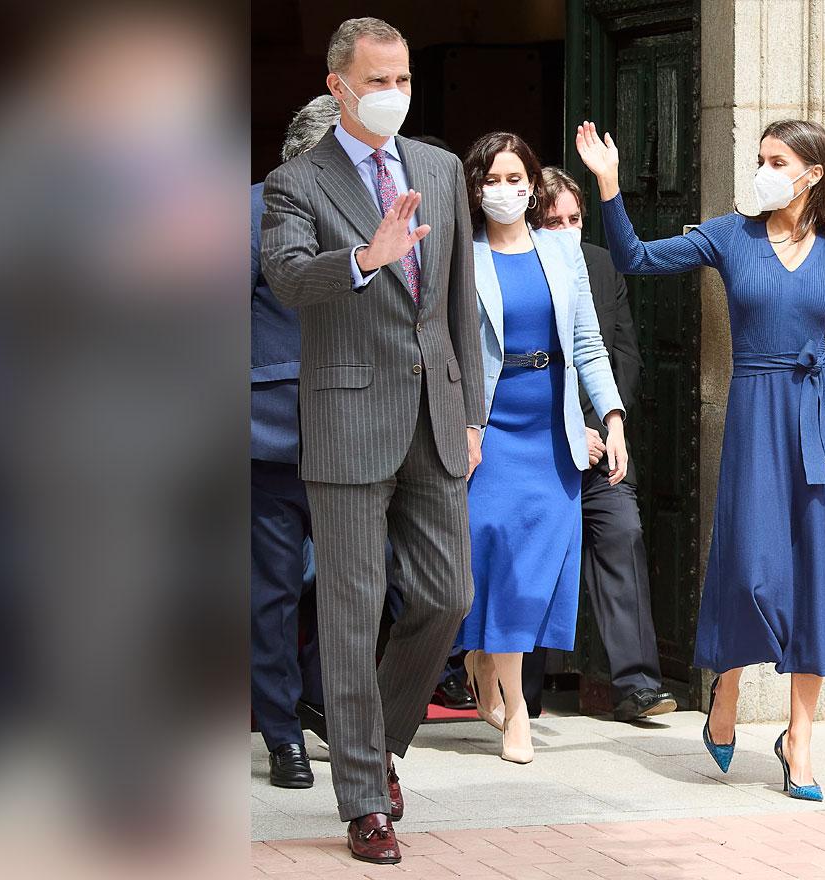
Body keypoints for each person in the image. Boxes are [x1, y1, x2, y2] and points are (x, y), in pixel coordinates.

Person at [575, 118, 825, 801]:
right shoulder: (730, 234)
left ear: (813, 174)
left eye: (778, 160)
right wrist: (609, 185)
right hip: (755, 415)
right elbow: (635, 259)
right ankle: (729, 686)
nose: (764, 169)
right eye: (760, 157)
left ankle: (800, 738)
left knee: (819, 583)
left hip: (822, 424)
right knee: (748, 570)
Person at [260, 17, 485, 866]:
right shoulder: (298, 182)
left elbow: (460, 296)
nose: (394, 95)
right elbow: (286, 278)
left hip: (437, 414)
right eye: (378, 81)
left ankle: (378, 744)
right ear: (338, 88)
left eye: (404, 80)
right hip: (350, 419)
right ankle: (364, 800)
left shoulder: (437, 169)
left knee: (447, 595)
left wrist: (472, 409)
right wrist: (363, 255)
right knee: (350, 617)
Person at [455, 132, 627, 765]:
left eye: (518, 179)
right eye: (493, 180)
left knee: (535, 566)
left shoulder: (562, 252)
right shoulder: (462, 255)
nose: (507, 190)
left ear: (533, 185)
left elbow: (587, 342)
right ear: (476, 189)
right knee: (496, 553)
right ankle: (519, 708)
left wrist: (610, 417)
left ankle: (487, 662)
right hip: (490, 427)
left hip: (550, 429)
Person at [519, 167, 677, 723]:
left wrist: (612, 425)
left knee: (624, 532)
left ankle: (636, 685)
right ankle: (524, 693)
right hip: (540, 447)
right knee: (539, 559)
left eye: (573, 218)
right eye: (551, 219)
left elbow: (620, 353)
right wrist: (567, 429)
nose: (564, 229)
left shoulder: (602, 264)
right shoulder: (514, 266)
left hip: (601, 446)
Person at [251, 94, 337, 790]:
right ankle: (282, 735)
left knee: (377, 583)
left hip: (359, 433)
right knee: (274, 595)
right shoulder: (246, 211)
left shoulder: (376, 213)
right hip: (272, 434)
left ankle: (319, 695)